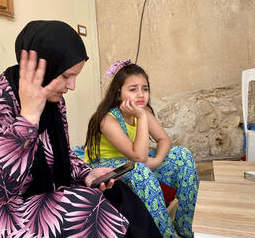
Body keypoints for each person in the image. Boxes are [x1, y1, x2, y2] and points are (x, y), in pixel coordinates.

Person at [0, 21, 161, 237]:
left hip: (31, 199)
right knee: (83, 206)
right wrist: (28, 120)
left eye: (75, 76)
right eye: (66, 76)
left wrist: (88, 175)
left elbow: (62, 155)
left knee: (117, 193)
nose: (72, 86)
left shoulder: (53, 102)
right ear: (42, 69)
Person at [84, 61, 199, 238]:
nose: (140, 94)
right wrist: (141, 117)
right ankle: (168, 235)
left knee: (182, 155)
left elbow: (163, 140)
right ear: (119, 92)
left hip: (137, 161)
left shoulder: (143, 111)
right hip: (106, 164)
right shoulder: (108, 120)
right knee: (140, 170)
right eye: (133, 89)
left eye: (145, 89)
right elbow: (138, 157)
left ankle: (186, 228)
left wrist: (157, 161)